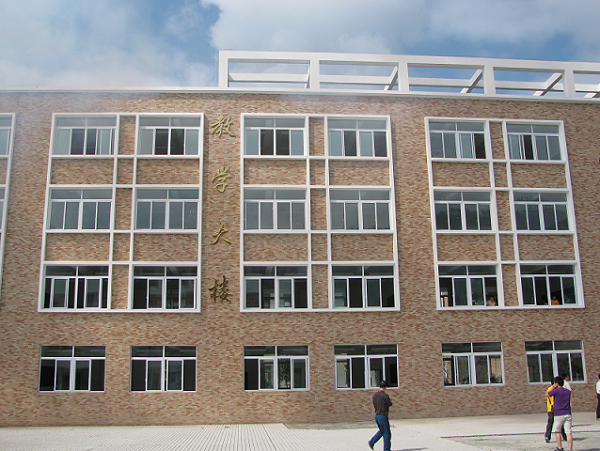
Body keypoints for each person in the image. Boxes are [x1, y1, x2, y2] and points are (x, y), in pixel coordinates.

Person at [546, 376, 573, 451]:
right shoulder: (568, 391)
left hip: (559, 413)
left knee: (557, 431)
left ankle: (560, 447)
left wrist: (553, 387)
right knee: (568, 432)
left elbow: (547, 394)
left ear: (557, 383)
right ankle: (570, 449)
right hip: (568, 413)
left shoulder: (556, 391)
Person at [368, 380, 392, 451]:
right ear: (385, 387)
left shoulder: (375, 395)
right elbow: (389, 404)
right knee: (387, 434)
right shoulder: (385, 396)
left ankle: (371, 442)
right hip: (383, 416)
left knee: (382, 431)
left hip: (377, 416)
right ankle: (386, 449)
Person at [545, 377, 567, 443]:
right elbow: (548, 395)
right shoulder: (551, 389)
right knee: (551, 423)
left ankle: (564, 436)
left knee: (560, 423)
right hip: (552, 408)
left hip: (556, 408)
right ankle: (547, 436)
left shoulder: (558, 390)